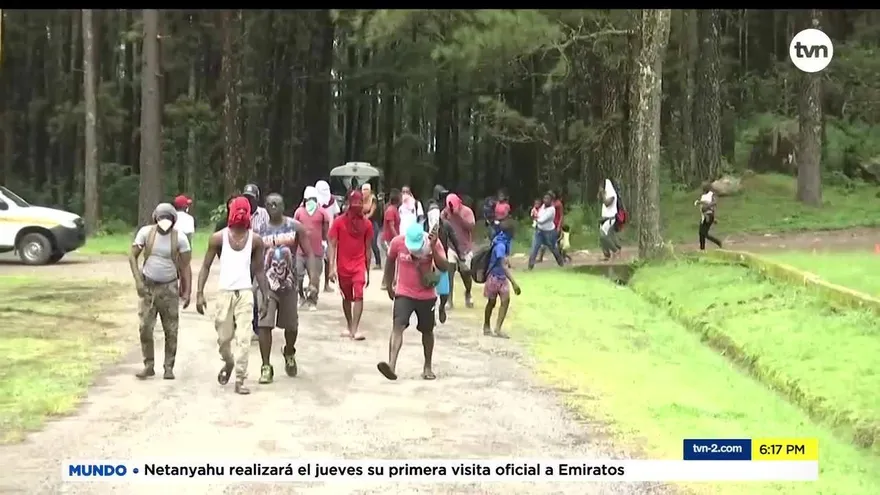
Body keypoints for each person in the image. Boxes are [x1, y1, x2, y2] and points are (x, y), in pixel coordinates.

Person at [196, 196, 271, 395]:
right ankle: (229, 362)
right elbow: (205, 266)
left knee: (244, 338)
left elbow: (260, 270)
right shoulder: (218, 238)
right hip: (225, 293)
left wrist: (265, 295)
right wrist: (199, 293)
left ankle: (240, 378)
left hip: (245, 292)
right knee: (223, 338)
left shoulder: (255, 240)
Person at [255, 193, 320, 384]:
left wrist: (313, 279)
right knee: (264, 324)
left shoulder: (295, 227)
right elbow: (254, 258)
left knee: (291, 326)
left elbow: (309, 253)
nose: (273, 206)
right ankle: (266, 366)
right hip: (266, 285)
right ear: (265, 207)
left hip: (289, 285)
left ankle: (289, 351)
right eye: (270, 204)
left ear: (284, 206)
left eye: (277, 203)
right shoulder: (259, 230)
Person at [377, 221, 449, 381]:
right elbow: (389, 264)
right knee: (398, 325)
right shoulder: (398, 243)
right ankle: (391, 365)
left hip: (426, 295)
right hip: (404, 292)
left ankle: (427, 366)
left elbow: (444, 267)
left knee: (427, 330)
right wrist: (389, 285)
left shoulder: (433, 243)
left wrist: (433, 247)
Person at [129, 203, 192, 380]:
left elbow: (186, 266)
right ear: (155, 218)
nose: (165, 223)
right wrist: (138, 281)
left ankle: (168, 367)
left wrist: (186, 291)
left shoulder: (180, 238)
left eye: (168, 219)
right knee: (145, 328)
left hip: (169, 287)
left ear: (174, 220)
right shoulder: (146, 233)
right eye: (161, 218)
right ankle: (148, 365)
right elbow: (132, 256)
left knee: (171, 329)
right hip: (148, 286)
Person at [328, 190, 374, 340]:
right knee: (347, 298)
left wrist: (367, 270)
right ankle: (349, 325)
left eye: (360, 202)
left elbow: (368, 248)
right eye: (354, 202)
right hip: (343, 267)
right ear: (348, 203)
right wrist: (331, 269)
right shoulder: (338, 222)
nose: (356, 205)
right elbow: (332, 245)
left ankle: (355, 329)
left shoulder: (367, 225)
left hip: (359, 265)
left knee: (359, 295)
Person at [483, 218, 521, 338]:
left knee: (504, 301)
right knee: (492, 302)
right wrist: (514, 283)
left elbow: (504, 261)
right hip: (495, 277)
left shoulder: (500, 241)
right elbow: (503, 266)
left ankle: (496, 328)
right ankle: (487, 326)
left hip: (499, 277)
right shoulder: (500, 245)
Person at [293, 186, 329, 311]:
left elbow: (325, 229)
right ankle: (301, 297)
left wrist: (324, 242)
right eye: (308, 199)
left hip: (316, 251)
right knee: (298, 275)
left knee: (314, 277)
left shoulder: (322, 212)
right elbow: (295, 230)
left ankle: (312, 300)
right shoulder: (299, 212)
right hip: (300, 251)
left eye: (312, 199)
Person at [427, 199, 461, 323]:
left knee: (444, 291)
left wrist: (460, 253)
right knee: (430, 291)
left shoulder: (445, 225)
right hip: (428, 261)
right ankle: (431, 315)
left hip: (442, 260)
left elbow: (454, 238)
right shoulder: (425, 227)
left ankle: (442, 307)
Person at [442, 193, 476, 309]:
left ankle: (468, 292)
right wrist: (443, 218)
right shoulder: (446, 213)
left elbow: (471, 227)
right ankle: (449, 300)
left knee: (466, 274)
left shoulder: (467, 212)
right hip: (452, 247)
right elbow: (442, 226)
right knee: (449, 274)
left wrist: (458, 217)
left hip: (465, 248)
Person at [527, 192, 565, 269]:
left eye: (547, 199)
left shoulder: (552, 210)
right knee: (534, 248)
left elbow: (541, 220)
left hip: (549, 232)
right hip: (539, 231)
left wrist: (535, 217)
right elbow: (539, 215)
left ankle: (561, 263)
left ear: (551, 201)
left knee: (553, 249)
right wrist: (536, 216)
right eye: (544, 198)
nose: (545, 200)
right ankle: (530, 267)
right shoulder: (543, 206)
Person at [316, 180, 340, 292]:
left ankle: (326, 284)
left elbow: (336, 214)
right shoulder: (313, 201)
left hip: (329, 233)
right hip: (317, 233)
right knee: (315, 259)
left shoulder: (332, 200)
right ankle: (315, 283)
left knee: (328, 258)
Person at [380, 189, 402, 289]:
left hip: (392, 239)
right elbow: (391, 226)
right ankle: (385, 282)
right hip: (388, 239)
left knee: (392, 260)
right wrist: (398, 237)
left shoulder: (394, 209)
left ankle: (388, 281)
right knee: (390, 260)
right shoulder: (390, 210)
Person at [599, 179, 623, 261]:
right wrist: (601, 193)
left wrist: (603, 193)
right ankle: (607, 254)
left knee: (603, 235)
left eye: (602, 186)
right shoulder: (606, 194)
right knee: (607, 236)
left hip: (610, 218)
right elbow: (598, 197)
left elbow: (606, 203)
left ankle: (615, 250)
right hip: (604, 218)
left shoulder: (612, 194)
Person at [538, 190, 564, 263]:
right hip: (548, 224)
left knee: (555, 243)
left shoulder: (558, 203)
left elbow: (561, 215)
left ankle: (561, 257)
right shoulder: (548, 204)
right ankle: (540, 257)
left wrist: (559, 226)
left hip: (555, 224)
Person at [695, 183, 722, 250]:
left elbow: (714, 203)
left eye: (703, 188)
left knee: (704, 233)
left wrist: (706, 206)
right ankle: (702, 249)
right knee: (701, 233)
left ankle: (718, 242)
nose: (702, 190)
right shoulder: (703, 196)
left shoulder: (711, 194)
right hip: (704, 216)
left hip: (708, 215)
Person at [362, 183, 381, 270]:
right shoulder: (360, 199)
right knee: (363, 244)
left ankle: (378, 263)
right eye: (363, 189)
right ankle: (363, 262)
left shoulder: (373, 199)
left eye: (366, 190)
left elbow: (371, 211)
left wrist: (365, 217)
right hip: (363, 223)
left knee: (373, 243)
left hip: (373, 223)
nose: (365, 191)